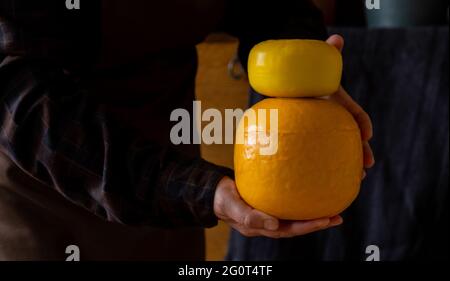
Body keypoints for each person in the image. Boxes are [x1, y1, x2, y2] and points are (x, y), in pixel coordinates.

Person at [0, 0, 373, 260]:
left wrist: (303, 72)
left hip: (173, 203)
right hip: (48, 198)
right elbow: (18, 91)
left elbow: (272, 8)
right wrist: (195, 188)